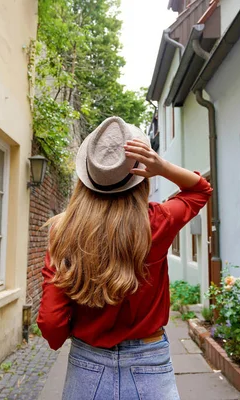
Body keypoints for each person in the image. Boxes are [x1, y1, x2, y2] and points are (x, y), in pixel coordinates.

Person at [37, 116, 213, 400]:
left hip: (87, 364)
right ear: (140, 177)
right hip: (150, 362)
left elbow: (50, 322)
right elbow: (200, 189)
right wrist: (162, 167)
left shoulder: (63, 231)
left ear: (88, 179)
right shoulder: (157, 221)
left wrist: (71, 336)